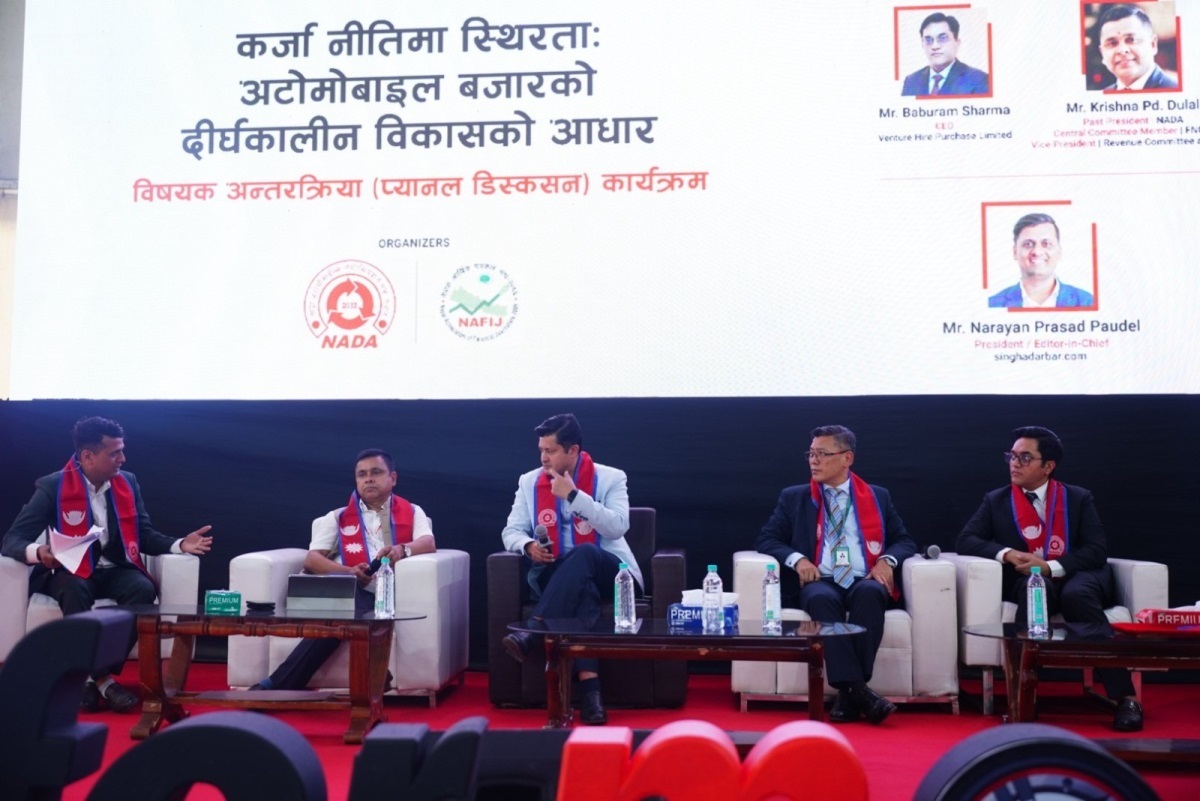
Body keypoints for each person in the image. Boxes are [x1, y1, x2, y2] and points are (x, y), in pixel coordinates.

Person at [1, 416, 213, 713]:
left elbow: (143, 534)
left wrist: (179, 544)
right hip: (71, 570)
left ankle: (90, 678)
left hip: (114, 568)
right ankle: (103, 681)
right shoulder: (53, 486)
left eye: (122, 451)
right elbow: (12, 540)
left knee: (141, 589)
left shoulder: (128, 482)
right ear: (88, 456)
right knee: (74, 589)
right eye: (115, 453)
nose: (122, 459)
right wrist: (40, 551)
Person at [955, 426, 1143, 731]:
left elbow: (1095, 550)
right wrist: (1007, 554)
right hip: (1030, 579)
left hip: (1077, 575)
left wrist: (1051, 566)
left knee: (1076, 595)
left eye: (1025, 457)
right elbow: (966, 539)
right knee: (1035, 591)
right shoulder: (997, 500)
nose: (1014, 463)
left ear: (1048, 466)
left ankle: (1126, 698)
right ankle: (1023, 698)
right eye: (1012, 456)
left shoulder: (1078, 498)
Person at [755, 425, 917, 724]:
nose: (813, 461)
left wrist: (887, 560)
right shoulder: (795, 497)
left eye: (822, 454)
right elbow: (767, 539)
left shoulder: (877, 496)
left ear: (847, 458)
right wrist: (798, 560)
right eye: (811, 454)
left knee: (872, 593)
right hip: (821, 580)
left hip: (863, 578)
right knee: (820, 599)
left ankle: (849, 693)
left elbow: (904, 540)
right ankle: (859, 691)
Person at [248, 448, 435, 691]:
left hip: (391, 595)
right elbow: (312, 559)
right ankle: (376, 672)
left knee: (338, 613)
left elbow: (428, 542)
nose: (368, 479)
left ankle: (274, 686)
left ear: (393, 478)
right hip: (352, 591)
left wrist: (401, 550)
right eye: (362, 474)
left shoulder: (412, 511)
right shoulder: (338, 517)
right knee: (344, 601)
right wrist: (348, 571)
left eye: (376, 472)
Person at [499, 413, 637, 725]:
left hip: (612, 572)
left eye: (550, 451)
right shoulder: (529, 481)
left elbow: (618, 527)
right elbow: (511, 531)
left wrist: (573, 496)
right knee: (581, 591)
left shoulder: (611, 478)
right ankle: (591, 693)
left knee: (584, 554)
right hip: (560, 574)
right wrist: (528, 546)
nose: (543, 458)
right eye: (541, 450)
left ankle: (532, 630)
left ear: (572, 450)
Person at [988, 213, 1095, 308]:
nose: (1037, 251)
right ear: (1015, 252)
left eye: (1046, 244)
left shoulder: (1088, 302)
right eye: (1028, 244)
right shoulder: (993, 304)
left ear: (1059, 252)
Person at [901, 12, 990, 96]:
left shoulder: (978, 80)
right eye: (928, 40)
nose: (935, 46)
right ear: (922, 45)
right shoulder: (911, 81)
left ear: (957, 42)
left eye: (942, 38)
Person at [1096, 4, 1178, 90]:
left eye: (1131, 40)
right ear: (1102, 53)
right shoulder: (1102, 95)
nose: (1122, 50)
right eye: (1113, 43)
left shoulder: (1174, 90)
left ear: (1153, 45)